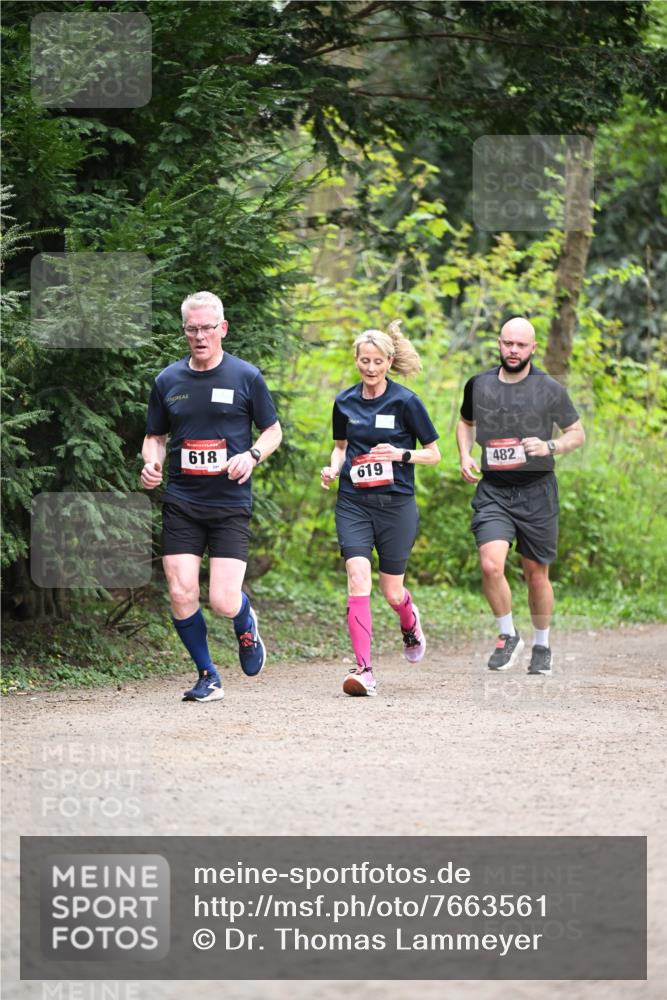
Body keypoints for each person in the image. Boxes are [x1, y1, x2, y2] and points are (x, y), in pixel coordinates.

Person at [140, 291, 282, 702]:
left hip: (229, 504)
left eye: (207, 328)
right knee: (181, 590)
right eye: (192, 329)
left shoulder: (245, 376)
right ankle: (207, 675)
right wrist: (152, 462)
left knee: (221, 600)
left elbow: (273, 430)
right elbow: (155, 436)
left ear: (222, 328)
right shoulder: (168, 381)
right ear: (184, 330)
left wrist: (252, 455)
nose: (199, 336)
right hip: (183, 499)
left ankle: (243, 618)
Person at [456, 316, 585, 676]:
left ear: (533, 348)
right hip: (495, 490)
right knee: (490, 564)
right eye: (507, 343)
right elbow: (465, 423)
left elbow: (577, 433)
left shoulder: (548, 389)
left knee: (535, 574)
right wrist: (465, 455)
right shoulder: (479, 384)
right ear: (499, 343)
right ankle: (507, 635)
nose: (512, 351)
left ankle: (541, 644)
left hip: (536, 491)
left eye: (520, 345)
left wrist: (549, 445)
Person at [321, 320, 441, 697]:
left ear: (389, 361)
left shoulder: (406, 402)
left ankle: (410, 621)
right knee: (357, 575)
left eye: (377, 361)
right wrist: (333, 467)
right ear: (356, 361)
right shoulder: (344, 401)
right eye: (364, 361)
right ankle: (364, 669)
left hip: (396, 505)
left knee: (392, 593)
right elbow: (341, 447)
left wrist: (401, 453)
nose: (370, 368)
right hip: (354, 502)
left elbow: (435, 455)